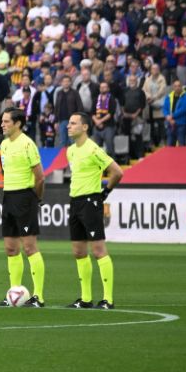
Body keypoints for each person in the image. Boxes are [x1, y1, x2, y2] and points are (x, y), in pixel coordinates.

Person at [65, 112, 123, 310]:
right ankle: (86, 298)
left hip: (91, 201)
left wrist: (104, 191)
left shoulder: (93, 149)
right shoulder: (70, 150)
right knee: (79, 251)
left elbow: (117, 171)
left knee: (98, 250)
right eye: (69, 123)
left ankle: (108, 299)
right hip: (75, 202)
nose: (68, 126)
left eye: (73, 123)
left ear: (85, 127)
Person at [0, 106, 48, 306]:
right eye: (2, 121)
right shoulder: (4, 145)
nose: (2, 124)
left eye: (6, 121)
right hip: (8, 196)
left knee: (29, 247)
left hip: (25, 197)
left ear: (18, 123)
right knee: (10, 248)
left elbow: (40, 177)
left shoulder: (27, 144)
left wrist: (36, 198)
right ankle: (14, 294)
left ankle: (38, 296)